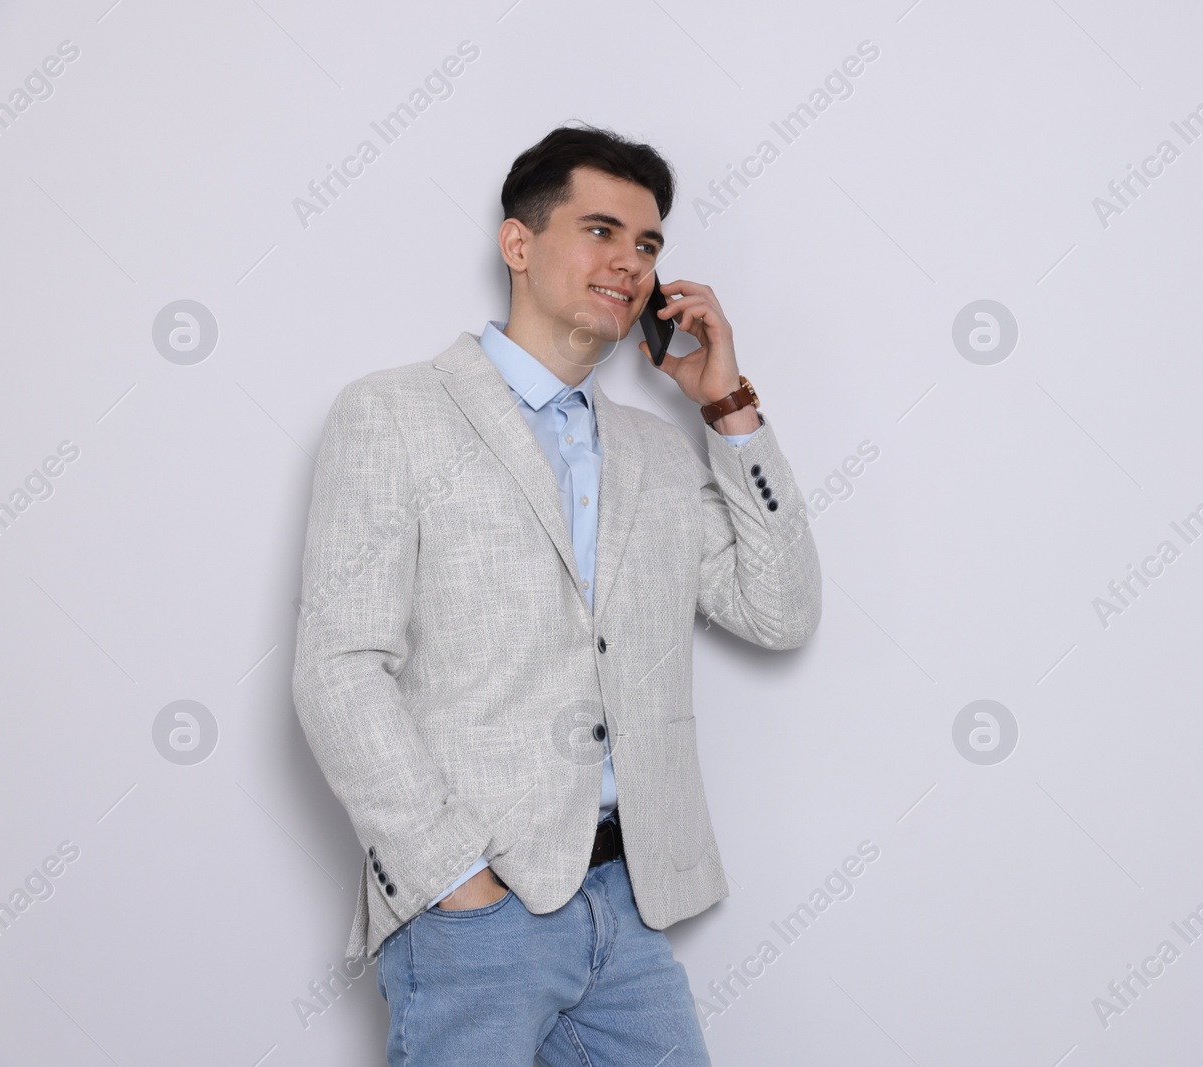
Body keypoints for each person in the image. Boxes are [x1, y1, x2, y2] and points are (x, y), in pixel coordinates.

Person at [290, 123, 822, 1066]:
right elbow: (340, 669)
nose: (630, 263)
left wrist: (726, 404)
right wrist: (450, 873)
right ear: (520, 244)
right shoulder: (393, 412)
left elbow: (779, 612)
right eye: (602, 230)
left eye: (649, 245)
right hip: (470, 912)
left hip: (629, 903)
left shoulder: (657, 452)